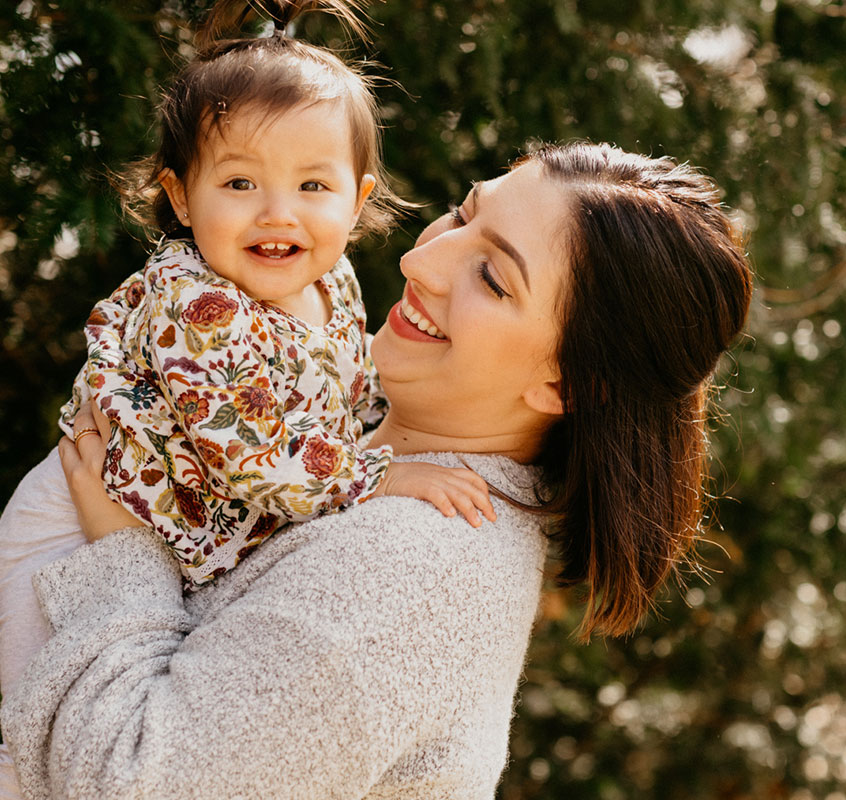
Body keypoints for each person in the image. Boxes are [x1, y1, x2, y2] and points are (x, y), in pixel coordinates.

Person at [0, 145, 752, 799]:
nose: (419, 262)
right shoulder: (323, 408)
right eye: (462, 214)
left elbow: (138, 788)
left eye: (493, 279)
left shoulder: (414, 571)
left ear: (567, 385)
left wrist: (124, 553)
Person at [0, 0, 498, 701]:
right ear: (181, 196)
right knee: (46, 722)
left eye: (312, 185)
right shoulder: (197, 306)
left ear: (356, 201)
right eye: (239, 183)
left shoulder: (332, 280)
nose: (277, 213)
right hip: (66, 534)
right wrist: (380, 477)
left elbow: (338, 381)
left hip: (167, 533)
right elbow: (252, 457)